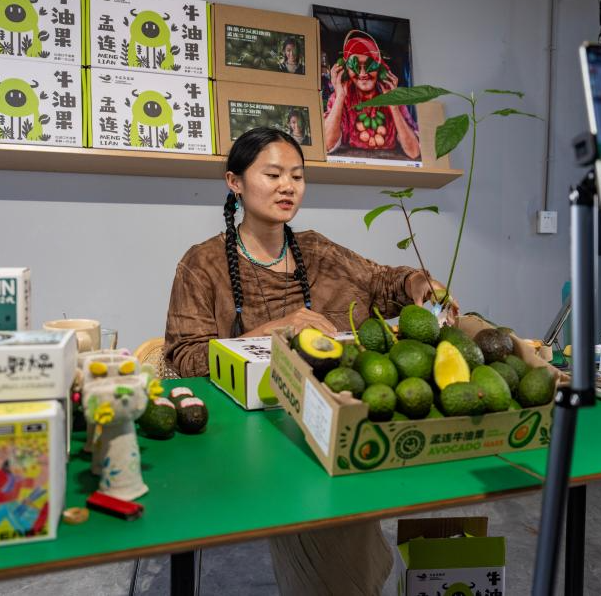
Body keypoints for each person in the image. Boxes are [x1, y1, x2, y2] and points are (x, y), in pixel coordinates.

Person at [164, 127, 455, 595]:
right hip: (248, 432)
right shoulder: (203, 264)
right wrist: (276, 328)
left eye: (297, 176)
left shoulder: (318, 251)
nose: (288, 187)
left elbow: (384, 281)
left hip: (328, 414)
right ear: (234, 182)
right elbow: (186, 356)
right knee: (330, 514)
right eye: (273, 174)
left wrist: (419, 283)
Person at [324, 30, 420, 160]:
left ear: (380, 68)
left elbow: (414, 152)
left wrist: (393, 106)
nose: (363, 74)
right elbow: (327, 145)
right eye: (355, 66)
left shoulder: (395, 98)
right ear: (345, 71)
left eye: (370, 65)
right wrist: (340, 96)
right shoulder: (338, 99)